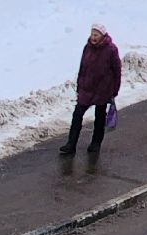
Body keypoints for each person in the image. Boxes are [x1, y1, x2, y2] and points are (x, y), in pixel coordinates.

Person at [59, 23, 121, 156]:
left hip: (102, 90)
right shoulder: (87, 47)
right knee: (77, 115)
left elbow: (117, 71)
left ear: (102, 36)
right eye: (92, 34)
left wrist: (114, 90)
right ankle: (71, 144)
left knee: (99, 117)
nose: (93, 37)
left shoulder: (111, 50)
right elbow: (82, 68)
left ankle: (96, 143)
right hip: (87, 88)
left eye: (96, 35)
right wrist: (79, 85)